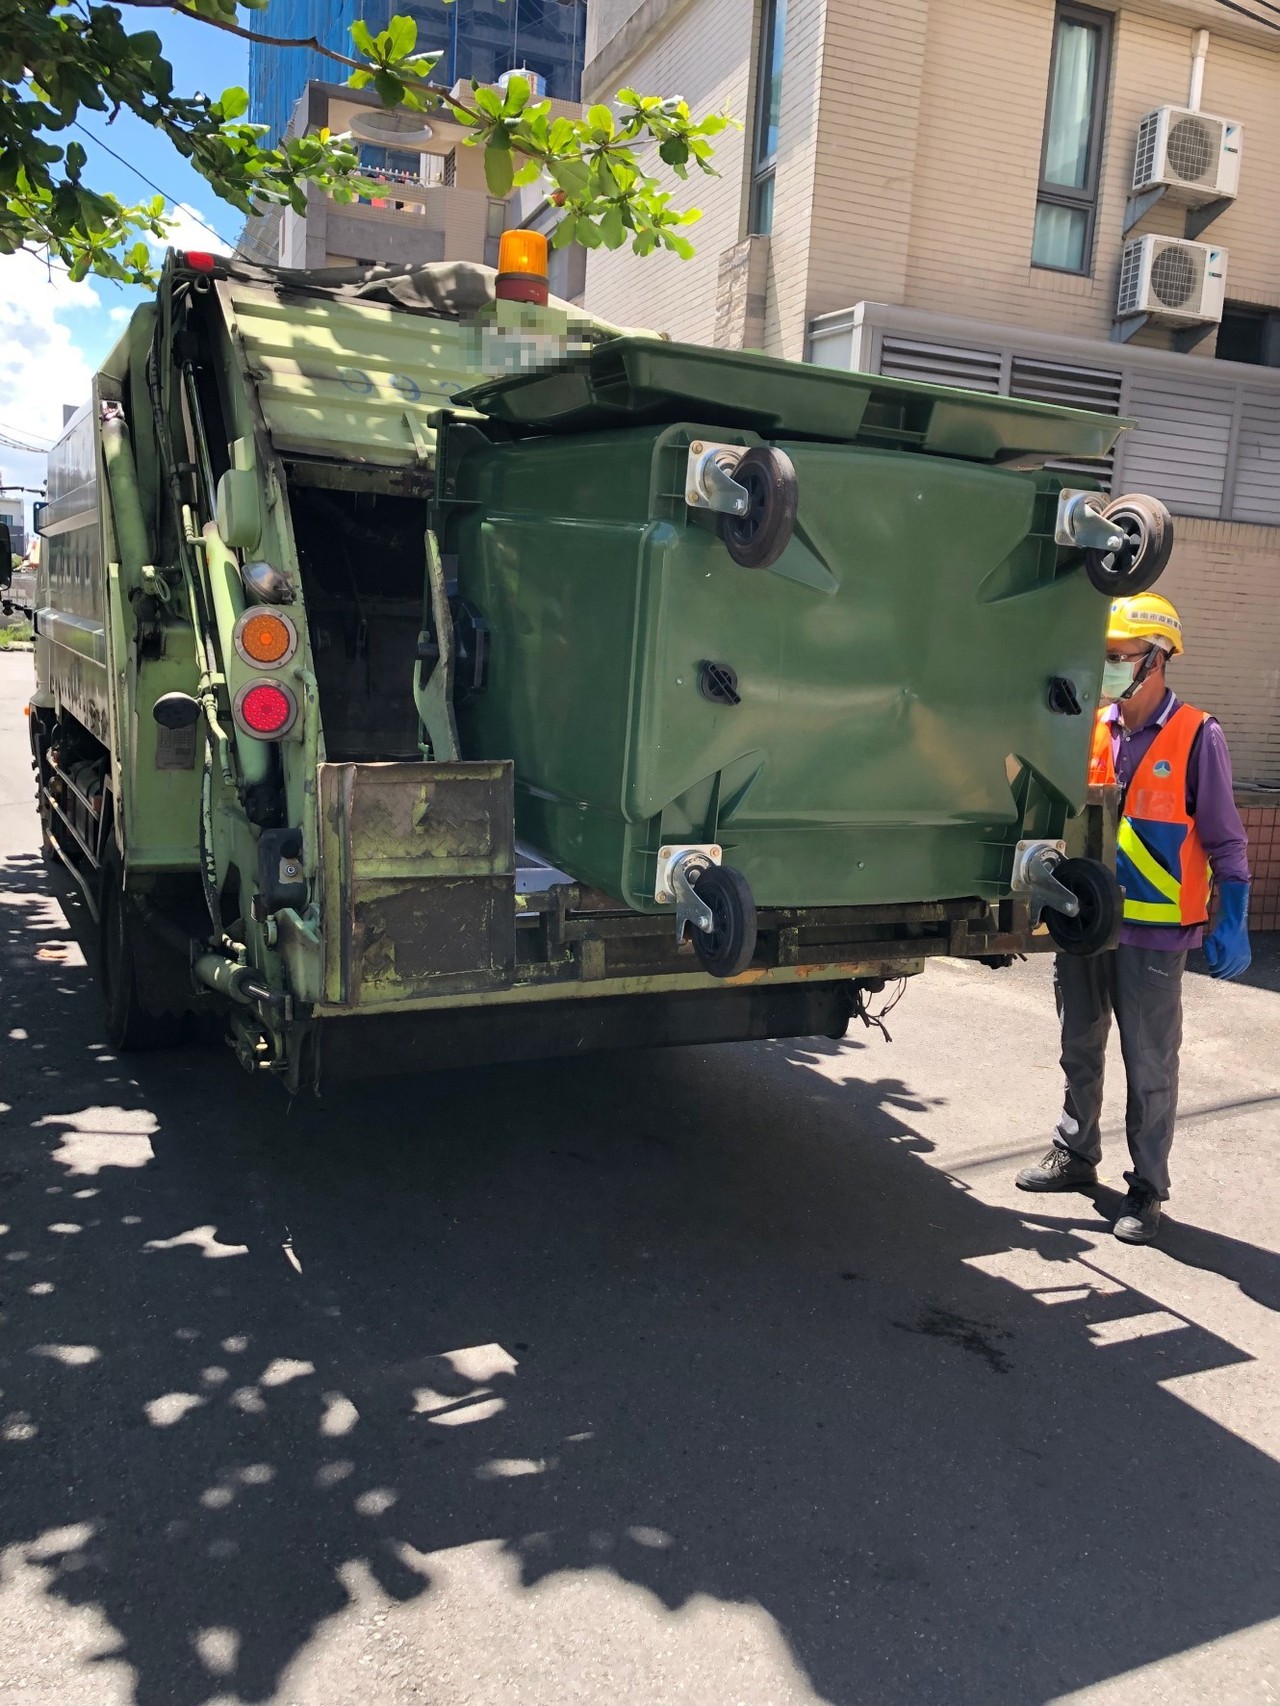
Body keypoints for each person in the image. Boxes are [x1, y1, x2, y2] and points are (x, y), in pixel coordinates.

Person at [1016, 593, 1252, 1243]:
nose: (1110, 668)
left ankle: (1147, 1186)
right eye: (1106, 658)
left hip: (1154, 934)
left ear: (1157, 659)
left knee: (1149, 1064)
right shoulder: (1094, 727)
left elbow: (1227, 840)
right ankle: (1075, 1152)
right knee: (1078, 1045)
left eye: (1120, 658)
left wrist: (1232, 918)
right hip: (1087, 924)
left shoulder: (1198, 735)